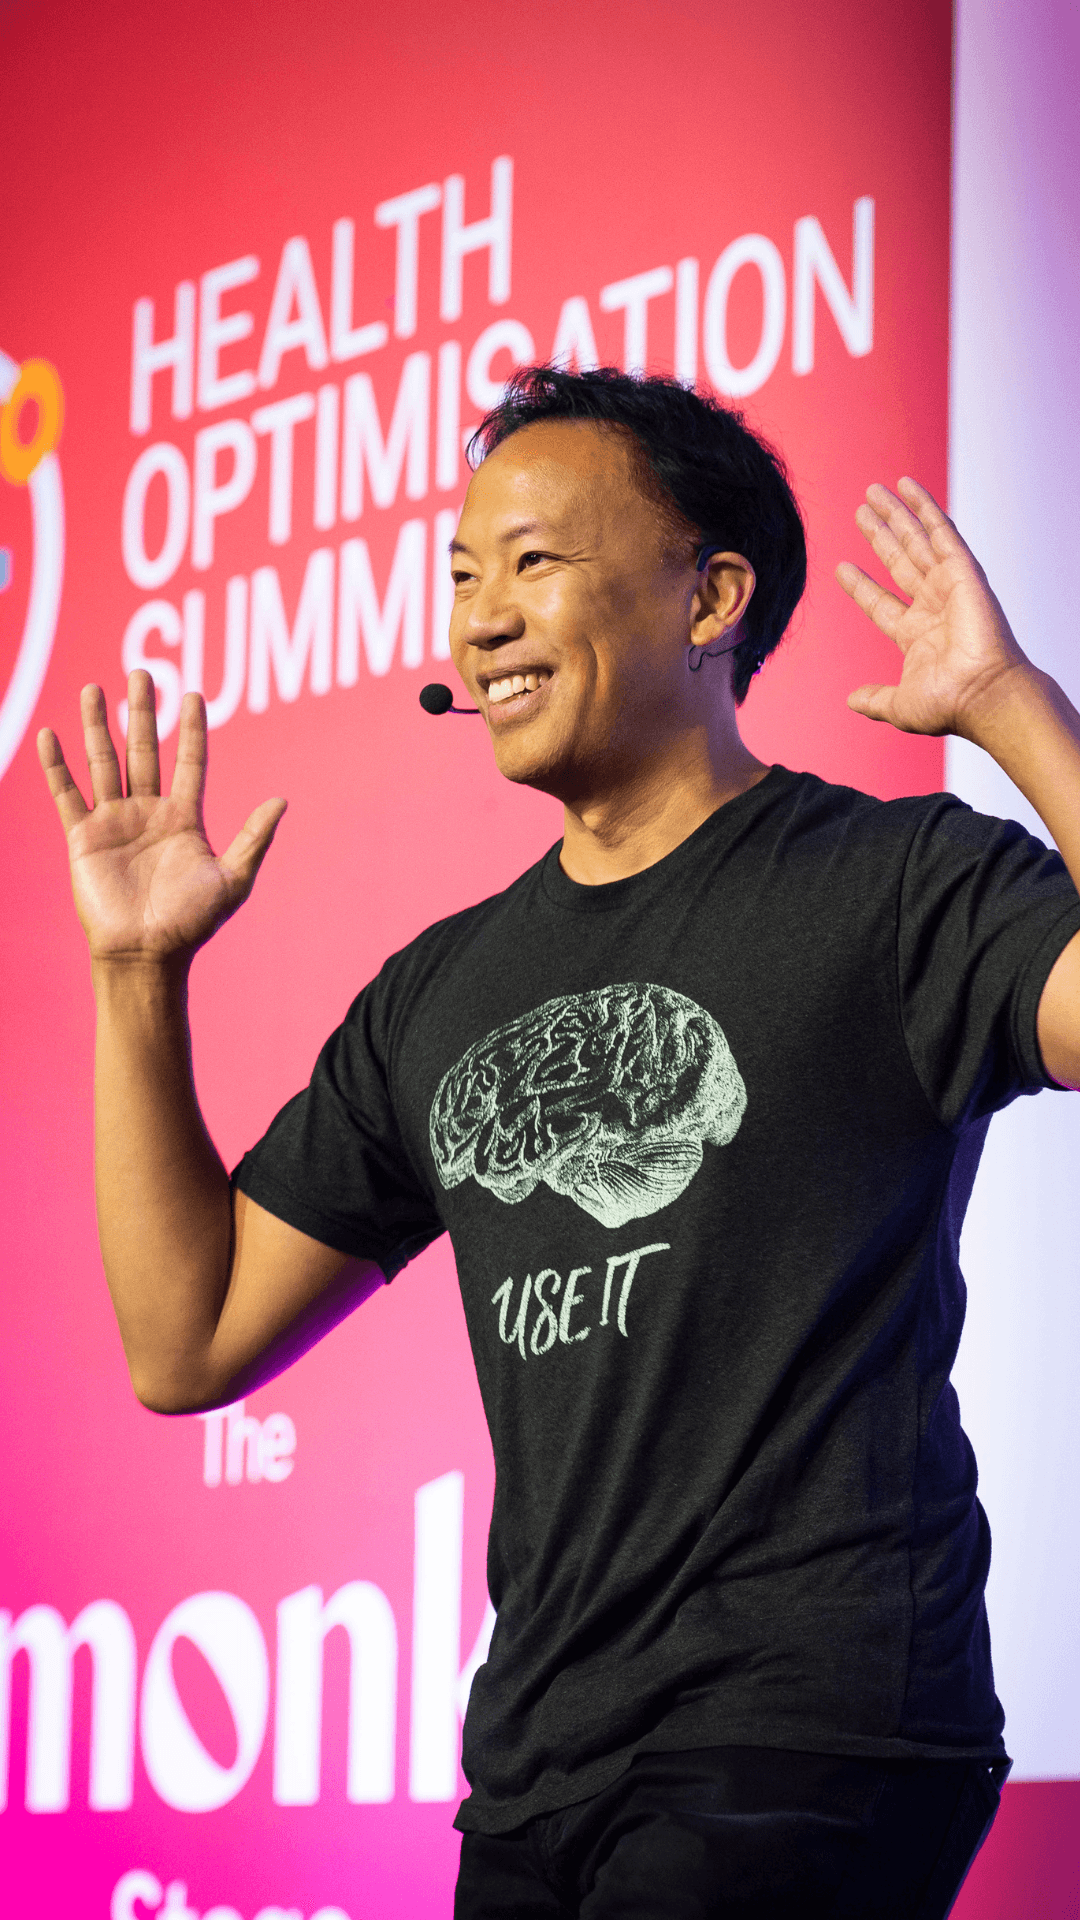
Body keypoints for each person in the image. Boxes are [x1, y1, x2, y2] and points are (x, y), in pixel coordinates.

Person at [39, 367, 1080, 1918]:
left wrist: (1009, 703)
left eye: (534, 563)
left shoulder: (893, 882)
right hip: (536, 1773)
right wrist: (136, 975)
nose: (483, 620)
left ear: (710, 597)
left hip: (806, 1735)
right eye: (465, 576)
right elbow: (187, 1339)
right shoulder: (442, 993)